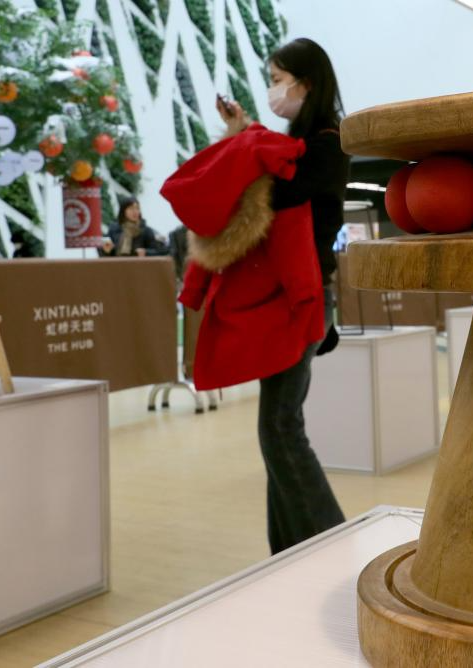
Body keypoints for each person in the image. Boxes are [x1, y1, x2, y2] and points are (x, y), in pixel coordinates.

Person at [216, 37, 350, 554]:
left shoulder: (325, 146)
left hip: (302, 297)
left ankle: (331, 542)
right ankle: (291, 552)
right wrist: (244, 130)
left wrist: (246, 137)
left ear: (305, 83)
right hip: (292, 297)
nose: (273, 89)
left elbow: (279, 187)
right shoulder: (312, 143)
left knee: (279, 427)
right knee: (279, 427)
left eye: (278, 80)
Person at [99, 196, 169, 257]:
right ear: (123, 211)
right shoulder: (114, 229)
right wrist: (106, 250)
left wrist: (146, 252)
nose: (135, 211)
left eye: (137, 208)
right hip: (117, 266)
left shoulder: (146, 231)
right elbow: (106, 252)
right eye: (131, 208)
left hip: (139, 267)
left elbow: (158, 252)